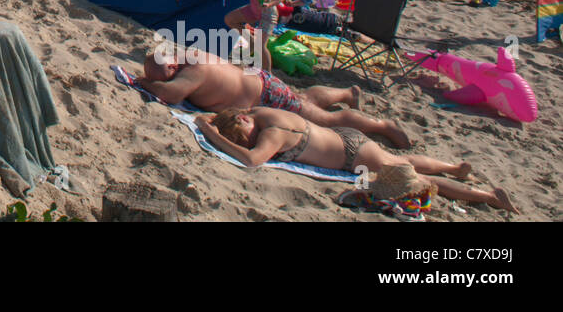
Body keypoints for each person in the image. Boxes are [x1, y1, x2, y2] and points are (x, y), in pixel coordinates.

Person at [197, 107, 516, 212]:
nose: (248, 140)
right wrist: (213, 122)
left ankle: (488, 196)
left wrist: (213, 136)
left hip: (352, 155)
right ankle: (455, 167)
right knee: (399, 160)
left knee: (415, 178)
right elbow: (225, 118)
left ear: (243, 118)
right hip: (346, 140)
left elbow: (252, 160)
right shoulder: (256, 112)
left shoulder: (272, 133)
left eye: (244, 134)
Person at [138, 44, 409, 144]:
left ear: (173, 65)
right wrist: (153, 78)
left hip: (263, 95)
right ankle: (347, 93)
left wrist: (146, 83)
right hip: (260, 85)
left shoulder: (193, 70)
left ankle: (383, 125)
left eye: (160, 74)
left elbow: (170, 94)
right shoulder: (186, 54)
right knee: (304, 102)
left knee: (324, 121)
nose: (159, 79)